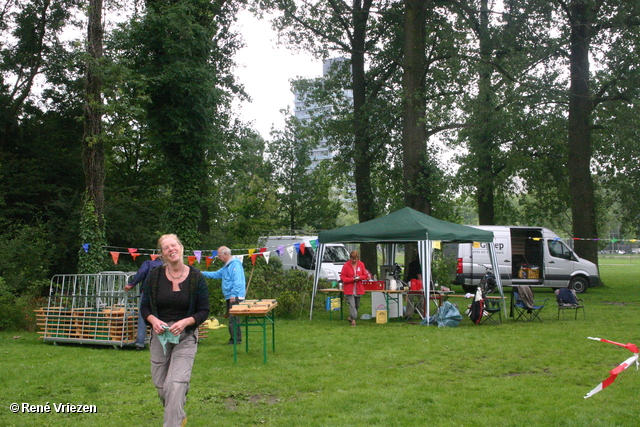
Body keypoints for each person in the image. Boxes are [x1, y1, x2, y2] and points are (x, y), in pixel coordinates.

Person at [140, 234, 210, 427]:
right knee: (162, 385)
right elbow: (144, 307)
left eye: (174, 245)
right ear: (162, 254)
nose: (171, 249)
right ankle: (179, 415)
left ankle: (172, 423)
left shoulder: (197, 277)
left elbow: (204, 311)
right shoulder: (154, 277)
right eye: (166, 247)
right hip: (160, 337)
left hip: (185, 336)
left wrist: (186, 322)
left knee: (176, 384)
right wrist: (153, 320)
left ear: (181, 247)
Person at [202, 246, 246, 345]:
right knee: (232, 318)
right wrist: (202, 273)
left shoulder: (235, 265)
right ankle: (235, 339)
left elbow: (238, 281)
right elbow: (216, 274)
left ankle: (236, 340)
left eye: (219, 255)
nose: (218, 257)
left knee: (233, 318)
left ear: (225, 254)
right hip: (230, 296)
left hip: (235, 296)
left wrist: (234, 294)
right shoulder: (227, 266)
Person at [125, 256, 163, 350]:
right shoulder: (168, 265)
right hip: (163, 294)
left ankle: (140, 343)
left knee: (143, 316)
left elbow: (141, 273)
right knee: (162, 317)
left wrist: (131, 284)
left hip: (147, 292)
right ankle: (162, 342)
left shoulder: (148, 263)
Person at [340, 250, 367, 327]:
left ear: (358, 258)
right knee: (352, 306)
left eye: (355, 259)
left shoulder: (361, 264)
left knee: (357, 305)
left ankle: (351, 317)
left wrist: (359, 277)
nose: (354, 261)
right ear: (350, 258)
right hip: (349, 289)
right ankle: (353, 321)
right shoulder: (346, 266)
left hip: (358, 288)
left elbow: (365, 275)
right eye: (353, 259)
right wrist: (352, 279)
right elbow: (343, 277)